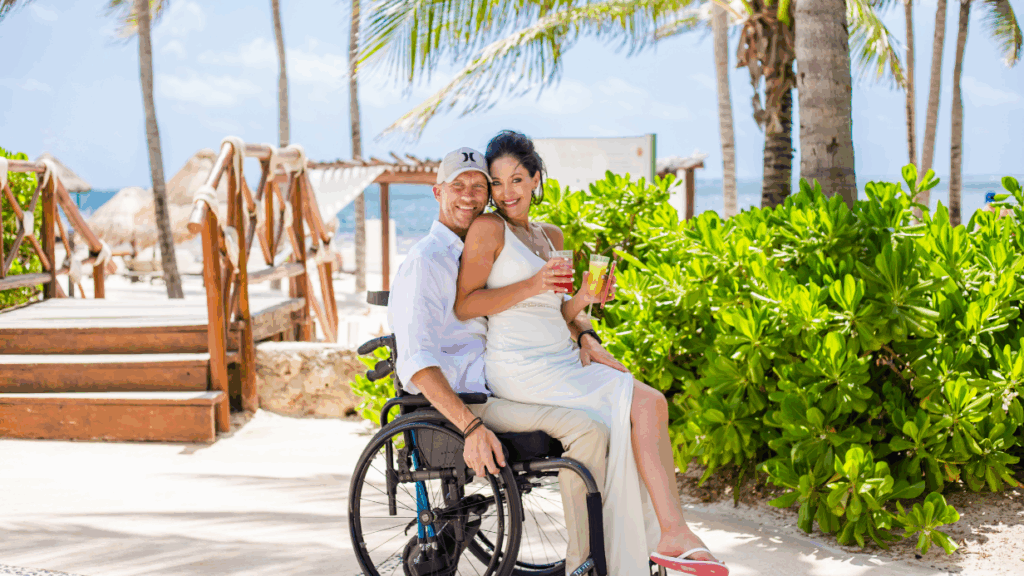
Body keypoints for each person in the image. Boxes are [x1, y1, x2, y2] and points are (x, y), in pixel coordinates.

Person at [454, 131, 726, 575]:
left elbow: (555, 311)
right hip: (519, 367)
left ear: (536, 178)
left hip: (561, 357)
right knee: (642, 404)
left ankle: (656, 542)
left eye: (517, 179)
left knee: (649, 405)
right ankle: (665, 537)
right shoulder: (489, 229)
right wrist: (533, 284)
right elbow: (465, 303)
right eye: (498, 183)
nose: (507, 193)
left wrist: (583, 302)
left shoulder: (550, 234)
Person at [388, 146, 626, 574]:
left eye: (479, 186)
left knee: (616, 408)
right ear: (437, 191)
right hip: (466, 402)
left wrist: (584, 331)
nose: (469, 195)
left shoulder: (477, 248)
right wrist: (471, 426)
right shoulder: (426, 262)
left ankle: (624, 543)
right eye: (457, 186)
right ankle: (585, 564)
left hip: (508, 383)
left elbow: (538, 312)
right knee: (587, 430)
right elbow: (417, 363)